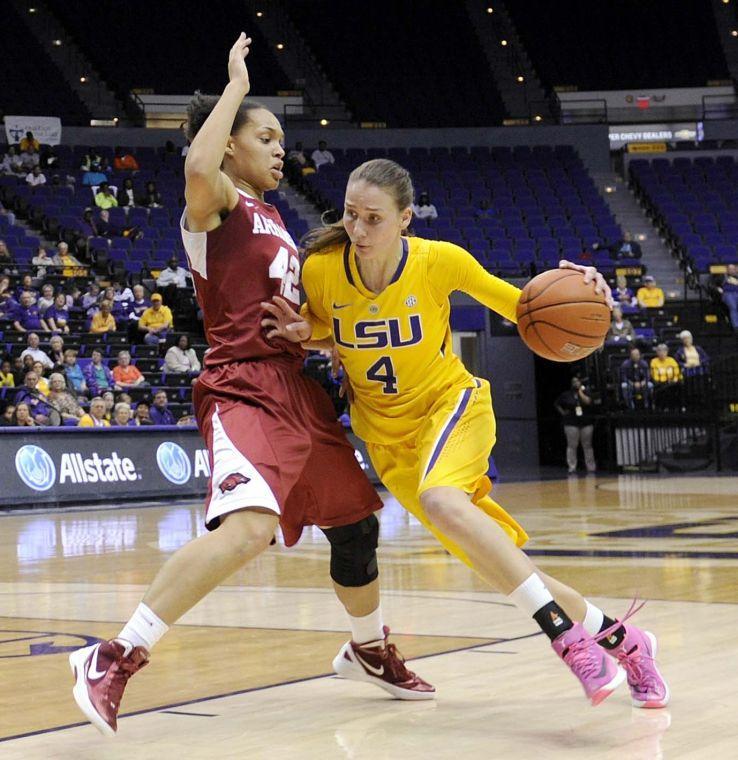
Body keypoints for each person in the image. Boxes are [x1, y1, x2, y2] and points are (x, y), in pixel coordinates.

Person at [69, 36, 432, 738]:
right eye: (264, 136)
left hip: (297, 391)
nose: (278, 148)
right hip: (243, 388)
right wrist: (234, 85)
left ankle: (367, 651)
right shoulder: (216, 204)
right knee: (250, 530)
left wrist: (313, 333)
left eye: (280, 138)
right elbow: (198, 163)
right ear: (230, 144)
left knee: (356, 526)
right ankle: (114, 655)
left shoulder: (277, 220)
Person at [263, 157, 668, 710]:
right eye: (351, 215)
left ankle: (566, 638)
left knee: (442, 500)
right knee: (497, 561)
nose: (358, 229)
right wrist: (302, 330)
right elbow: (326, 325)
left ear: (405, 218)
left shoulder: (440, 261)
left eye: (373, 218)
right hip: (387, 439)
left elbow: (524, 307)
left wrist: (587, 291)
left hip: (450, 407)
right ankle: (627, 640)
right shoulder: (322, 269)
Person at [554, 377, 596, 475]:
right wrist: (563, 413)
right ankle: (572, 467)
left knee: (587, 445)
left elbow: (588, 402)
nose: (575, 383)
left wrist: (580, 392)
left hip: (586, 422)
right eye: (573, 382)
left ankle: (590, 467)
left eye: (577, 381)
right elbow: (557, 404)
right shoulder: (566, 394)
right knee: (572, 445)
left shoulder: (586, 392)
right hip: (571, 422)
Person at [716, 263, 738, 329]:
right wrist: (718, 288)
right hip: (728, 294)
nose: (731, 270)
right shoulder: (722, 277)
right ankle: (736, 326)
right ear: (727, 270)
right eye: (730, 269)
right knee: (733, 306)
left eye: (733, 269)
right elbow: (712, 284)